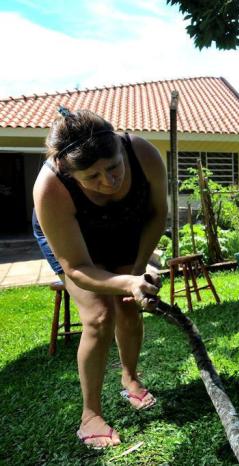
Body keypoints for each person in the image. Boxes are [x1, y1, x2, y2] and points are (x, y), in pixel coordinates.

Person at [32, 107, 168, 448]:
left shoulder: (143, 154)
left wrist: (136, 274)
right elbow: (77, 266)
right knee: (98, 316)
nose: (108, 181)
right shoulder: (51, 188)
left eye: (113, 167)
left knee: (128, 307)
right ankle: (90, 414)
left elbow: (156, 215)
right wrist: (125, 282)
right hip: (74, 237)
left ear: (121, 150)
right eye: (92, 177)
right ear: (68, 171)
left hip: (123, 222)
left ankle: (131, 379)